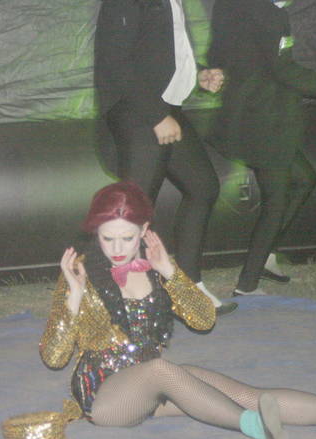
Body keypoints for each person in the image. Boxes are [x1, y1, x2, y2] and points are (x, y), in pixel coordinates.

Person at [39, 181, 316, 439]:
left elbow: (204, 320)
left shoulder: (156, 264)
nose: (117, 249)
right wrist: (74, 298)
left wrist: (170, 274)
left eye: (127, 239)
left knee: (245, 393)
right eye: (108, 239)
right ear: (96, 234)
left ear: (145, 231)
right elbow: (54, 357)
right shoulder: (82, 272)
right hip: (104, 398)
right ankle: (254, 426)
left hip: (153, 384)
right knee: (163, 369)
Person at [207, 0, 316, 296]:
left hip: (245, 115)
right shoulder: (270, 14)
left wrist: (215, 71)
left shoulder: (229, 5)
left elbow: (216, 53)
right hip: (266, 120)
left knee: (304, 179)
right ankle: (247, 285)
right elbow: (284, 71)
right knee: (275, 203)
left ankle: (265, 258)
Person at [93, 0, 237, 315]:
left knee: (202, 187)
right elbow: (115, 61)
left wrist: (198, 74)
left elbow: (160, 50)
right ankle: (122, 302)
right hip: (137, 111)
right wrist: (156, 115)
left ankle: (186, 286)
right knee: (133, 211)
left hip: (162, 106)